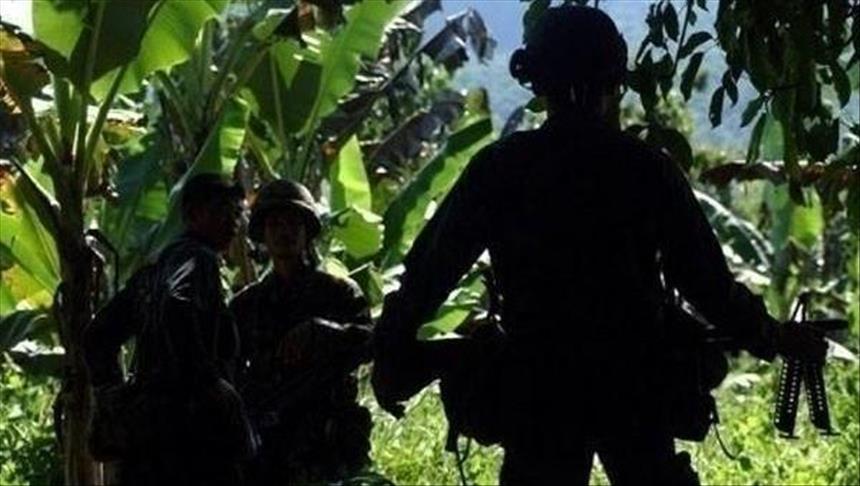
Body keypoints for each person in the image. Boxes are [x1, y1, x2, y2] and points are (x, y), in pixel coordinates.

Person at [371, 5, 827, 485]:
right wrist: (771, 336)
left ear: (536, 81)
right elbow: (707, 285)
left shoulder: (501, 167)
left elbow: (432, 270)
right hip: (634, 388)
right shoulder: (647, 169)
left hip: (538, 389)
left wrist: (392, 344)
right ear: (615, 81)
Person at [84, 173, 251, 485]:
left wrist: (113, 396)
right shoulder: (198, 258)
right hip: (191, 440)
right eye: (220, 211)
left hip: (148, 441)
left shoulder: (153, 270)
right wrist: (207, 381)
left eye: (236, 213)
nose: (232, 222)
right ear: (192, 215)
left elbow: (97, 336)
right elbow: (177, 303)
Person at [230, 179, 374, 484]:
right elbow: (227, 368)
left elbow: (371, 342)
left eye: (293, 223)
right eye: (275, 224)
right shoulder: (246, 304)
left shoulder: (339, 292)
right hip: (269, 443)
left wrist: (324, 331)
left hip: (326, 440)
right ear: (263, 234)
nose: (284, 232)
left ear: (307, 231)